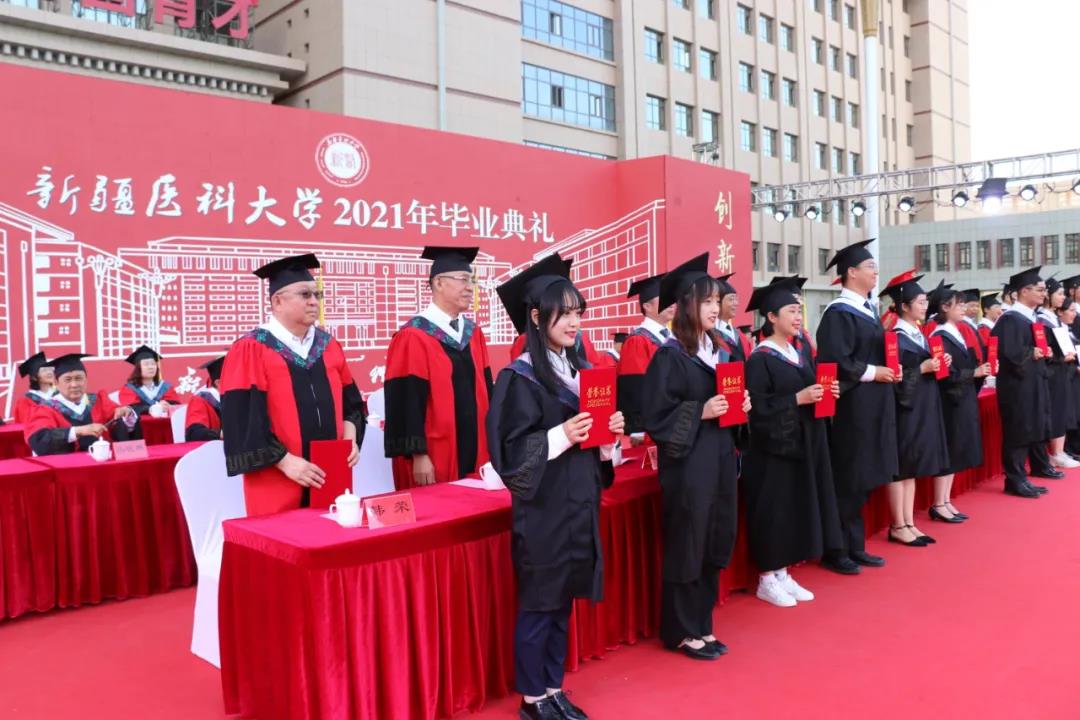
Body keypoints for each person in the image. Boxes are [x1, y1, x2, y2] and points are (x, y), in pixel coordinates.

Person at [486, 253, 624, 720]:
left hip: (578, 503)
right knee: (539, 605)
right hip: (543, 511)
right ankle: (532, 698)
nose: (573, 322)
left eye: (577, 312)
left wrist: (608, 436)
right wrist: (562, 434)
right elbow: (508, 455)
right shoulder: (518, 377)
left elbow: (597, 448)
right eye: (562, 313)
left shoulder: (580, 372)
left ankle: (552, 686)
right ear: (536, 317)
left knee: (563, 601)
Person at [642, 253, 751, 660]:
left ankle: (703, 624)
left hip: (719, 458)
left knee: (714, 538)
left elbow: (729, 408)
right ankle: (681, 630)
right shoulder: (670, 356)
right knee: (689, 541)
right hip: (688, 466)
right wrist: (700, 411)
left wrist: (742, 407)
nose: (714, 308)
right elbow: (655, 416)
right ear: (686, 305)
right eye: (706, 301)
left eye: (716, 300)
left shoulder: (720, 350)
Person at [220, 253, 366, 516]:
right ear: (277, 301)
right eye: (305, 295)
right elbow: (241, 421)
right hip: (277, 481)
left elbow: (351, 404)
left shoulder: (328, 346)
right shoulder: (251, 349)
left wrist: (350, 439)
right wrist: (285, 462)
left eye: (317, 295)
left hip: (331, 475)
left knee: (332, 534)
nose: (314, 302)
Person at [743, 283, 842, 607]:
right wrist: (797, 399)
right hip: (772, 451)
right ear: (771, 317)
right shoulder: (760, 359)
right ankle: (767, 578)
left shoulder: (797, 352)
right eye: (791, 311)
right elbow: (757, 410)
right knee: (775, 511)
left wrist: (826, 394)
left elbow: (809, 393)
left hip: (801, 444)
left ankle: (783, 572)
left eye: (799, 311)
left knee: (793, 509)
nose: (798, 317)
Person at [816, 239, 898, 573]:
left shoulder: (866, 309)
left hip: (873, 403)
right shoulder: (838, 313)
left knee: (864, 477)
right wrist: (873, 372)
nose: (876, 272)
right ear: (851, 272)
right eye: (870, 267)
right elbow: (835, 359)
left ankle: (854, 544)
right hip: (852, 407)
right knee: (850, 476)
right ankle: (835, 549)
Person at [384, 246, 493, 488]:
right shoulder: (413, 335)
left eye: (472, 280)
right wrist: (418, 454)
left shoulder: (473, 333)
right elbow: (405, 400)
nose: (470, 287)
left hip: (478, 451)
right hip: (434, 454)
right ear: (439, 283)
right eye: (463, 279)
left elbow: (487, 391)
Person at [882, 273, 949, 547]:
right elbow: (894, 379)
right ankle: (897, 524)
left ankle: (909, 522)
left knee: (912, 468)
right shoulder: (894, 338)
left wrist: (939, 363)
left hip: (922, 408)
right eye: (920, 302)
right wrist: (922, 368)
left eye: (925, 301)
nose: (925, 306)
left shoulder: (919, 335)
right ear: (904, 306)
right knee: (901, 468)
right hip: (904, 411)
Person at [929, 286, 992, 523]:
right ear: (945, 307)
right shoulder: (939, 337)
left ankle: (946, 500)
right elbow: (945, 375)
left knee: (956, 452)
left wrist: (978, 371)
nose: (964, 308)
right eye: (959, 304)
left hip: (962, 398)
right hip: (950, 401)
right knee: (949, 450)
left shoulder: (955, 332)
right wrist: (973, 372)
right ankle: (938, 503)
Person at [991, 266, 1055, 499]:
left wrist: (1044, 352)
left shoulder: (1031, 318)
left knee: (1030, 429)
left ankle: (1022, 477)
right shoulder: (1010, 319)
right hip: (1016, 387)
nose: (1044, 294)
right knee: (1018, 431)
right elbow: (1008, 353)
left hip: (1032, 384)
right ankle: (1014, 479)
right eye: (1039, 290)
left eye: (1044, 290)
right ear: (1024, 291)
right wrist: (1031, 353)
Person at [23, 353, 137, 455]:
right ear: (56, 383)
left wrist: (128, 415)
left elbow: (120, 427)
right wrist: (79, 431)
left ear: (86, 380)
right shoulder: (45, 408)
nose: (74, 384)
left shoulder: (98, 401)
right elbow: (39, 439)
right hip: (69, 468)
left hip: (103, 464)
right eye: (68, 380)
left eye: (79, 378)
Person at [616, 272, 672, 436]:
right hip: (650, 429)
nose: (671, 303)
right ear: (647, 306)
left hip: (671, 420)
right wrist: (638, 430)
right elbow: (634, 390)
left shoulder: (672, 337)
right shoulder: (638, 341)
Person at [1037, 276, 1079, 469]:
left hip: (1062, 370)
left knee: (1062, 410)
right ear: (1048, 295)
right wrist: (1061, 357)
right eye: (1059, 293)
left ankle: (1060, 451)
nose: (1063, 297)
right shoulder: (1042, 320)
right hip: (1052, 372)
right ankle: (1056, 452)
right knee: (1056, 411)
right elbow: (1047, 351)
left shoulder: (1053, 318)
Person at [118, 346, 182, 418]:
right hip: (141, 424)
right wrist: (150, 408)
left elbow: (176, 405)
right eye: (146, 364)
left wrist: (168, 406)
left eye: (153, 364)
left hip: (164, 423)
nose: (151, 367)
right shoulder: (129, 389)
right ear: (138, 368)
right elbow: (130, 408)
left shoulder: (165, 387)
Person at [714, 274, 752, 362]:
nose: (736, 303)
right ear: (718, 302)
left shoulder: (740, 336)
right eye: (731, 299)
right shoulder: (709, 334)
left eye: (736, 299)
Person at [185, 357, 224, 441]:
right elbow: (194, 433)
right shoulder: (200, 400)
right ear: (218, 383)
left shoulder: (238, 399)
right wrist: (221, 434)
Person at [13, 352, 55, 423]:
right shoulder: (26, 401)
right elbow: (26, 423)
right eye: (44, 370)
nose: (49, 372)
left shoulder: (60, 394)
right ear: (34, 377)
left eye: (50, 369)